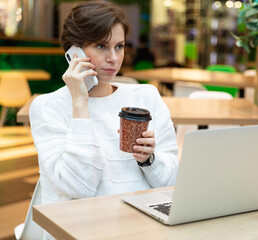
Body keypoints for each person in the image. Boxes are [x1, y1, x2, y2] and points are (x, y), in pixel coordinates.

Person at [29, 2, 178, 238]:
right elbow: (78, 187)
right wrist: (80, 103)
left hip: (142, 228)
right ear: (73, 52)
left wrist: (149, 160)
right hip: (81, 229)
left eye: (119, 47)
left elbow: (171, 181)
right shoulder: (48, 107)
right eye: (101, 46)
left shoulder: (145, 96)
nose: (113, 58)